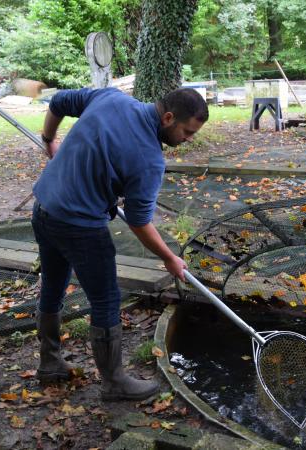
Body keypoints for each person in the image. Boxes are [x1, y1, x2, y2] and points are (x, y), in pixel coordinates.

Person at [31, 87, 208, 400]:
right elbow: (140, 222)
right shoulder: (150, 161)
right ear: (168, 118)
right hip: (79, 225)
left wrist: (49, 140)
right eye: (187, 131)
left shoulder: (111, 98)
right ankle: (114, 382)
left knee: (53, 286)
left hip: (44, 207)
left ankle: (50, 364)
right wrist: (169, 258)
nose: (189, 139)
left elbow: (58, 102)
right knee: (106, 300)